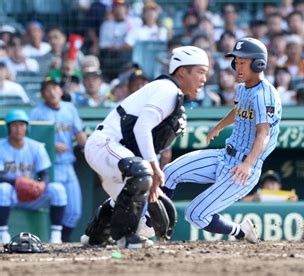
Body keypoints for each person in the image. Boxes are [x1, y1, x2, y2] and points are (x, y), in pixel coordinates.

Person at [80, 46, 209, 249]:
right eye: (200, 71)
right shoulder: (168, 89)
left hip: (117, 153)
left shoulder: (173, 96)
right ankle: (125, 238)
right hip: (106, 145)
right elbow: (142, 127)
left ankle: (96, 235)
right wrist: (155, 169)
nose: (204, 79)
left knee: (135, 212)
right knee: (142, 173)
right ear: (183, 71)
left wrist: (151, 176)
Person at [162, 38, 282, 244]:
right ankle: (148, 223)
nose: (237, 66)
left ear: (258, 63)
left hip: (243, 169)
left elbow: (264, 134)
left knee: (195, 214)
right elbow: (239, 110)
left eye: (243, 62)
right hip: (224, 156)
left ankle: (241, 232)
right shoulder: (244, 87)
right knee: (169, 172)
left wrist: (247, 164)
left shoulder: (266, 94)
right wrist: (220, 125)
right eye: (236, 61)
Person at [29, 79, 87, 242]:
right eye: (47, 89)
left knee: (74, 211)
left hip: (67, 164)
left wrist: (89, 149)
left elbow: (79, 133)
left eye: (55, 88)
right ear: (42, 94)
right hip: (48, 167)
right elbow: (30, 141)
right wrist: (51, 145)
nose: (52, 92)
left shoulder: (69, 108)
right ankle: (52, 240)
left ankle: (63, 240)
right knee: (53, 204)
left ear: (61, 91)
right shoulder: (37, 113)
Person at [0, 109, 67, 244]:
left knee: (57, 189)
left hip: (32, 194)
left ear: (27, 127)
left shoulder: (36, 147)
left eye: (22, 125)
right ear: (9, 128)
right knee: (3, 188)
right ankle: (2, 234)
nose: (18, 129)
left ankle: (55, 236)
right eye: (14, 125)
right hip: (12, 195)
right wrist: (19, 182)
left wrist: (41, 184)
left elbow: (44, 174)